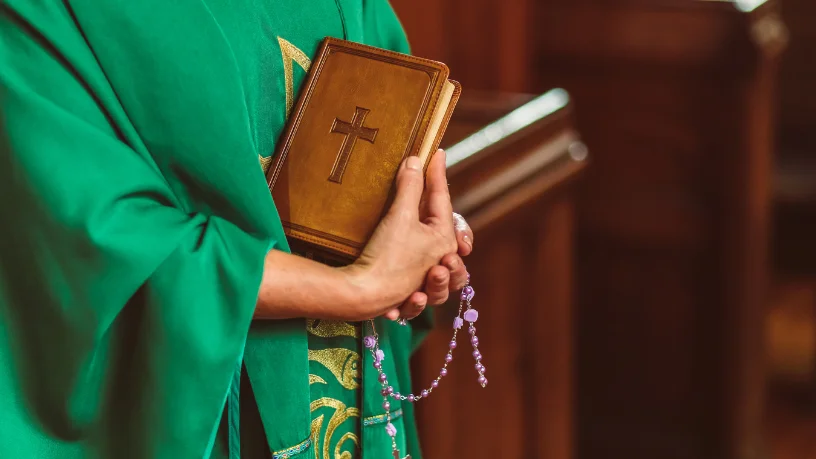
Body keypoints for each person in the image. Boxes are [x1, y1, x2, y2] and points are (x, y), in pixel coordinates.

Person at [0, 1, 474, 458]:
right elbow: (94, 235)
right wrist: (360, 287)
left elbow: (397, 122)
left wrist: (417, 230)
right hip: (206, 403)